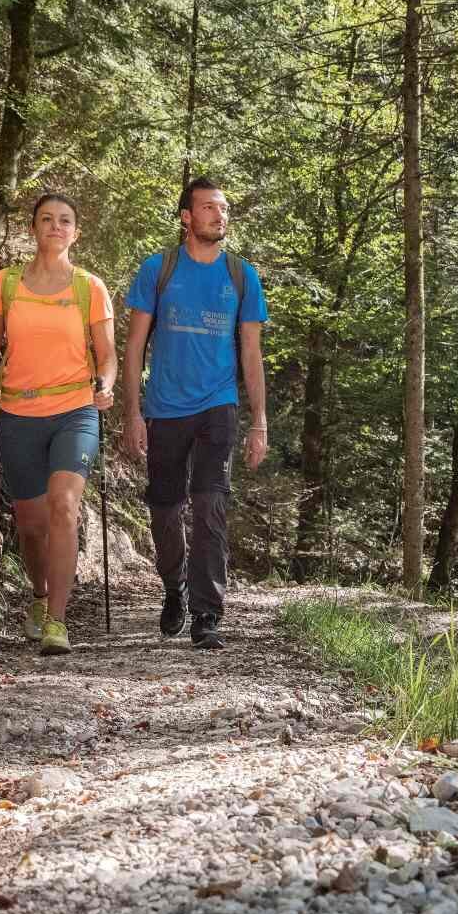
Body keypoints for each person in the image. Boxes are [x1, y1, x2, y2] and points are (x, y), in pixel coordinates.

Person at [0, 193, 115, 656]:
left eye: (65, 220)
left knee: (64, 506)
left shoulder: (90, 288)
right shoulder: (5, 284)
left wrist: (104, 385)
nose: (56, 227)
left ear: (75, 232)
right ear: (33, 228)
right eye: (47, 219)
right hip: (19, 414)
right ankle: (41, 596)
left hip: (75, 410)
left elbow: (106, 357)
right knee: (30, 525)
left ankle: (58, 622)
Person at [122, 177, 269, 651]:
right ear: (186, 216)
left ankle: (208, 613)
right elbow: (133, 346)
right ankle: (174, 587)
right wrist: (132, 412)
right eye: (208, 207)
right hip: (164, 407)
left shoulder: (241, 275)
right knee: (165, 507)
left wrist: (259, 421)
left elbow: (251, 352)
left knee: (210, 503)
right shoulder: (158, 269)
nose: (219, 215)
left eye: (223, 208)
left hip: (217, 405)